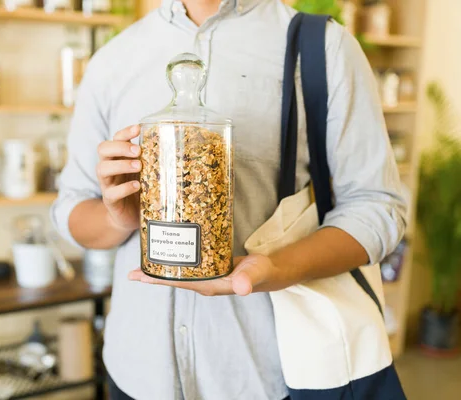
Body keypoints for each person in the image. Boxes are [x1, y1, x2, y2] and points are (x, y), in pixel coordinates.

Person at [51, 0, 408, 399]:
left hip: (263, 376)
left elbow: (378, 207)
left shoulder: (323, 47)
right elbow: (71, 209)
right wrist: (119, 217)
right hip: (137, 371)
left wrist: (276, 268)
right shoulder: (113, 60)